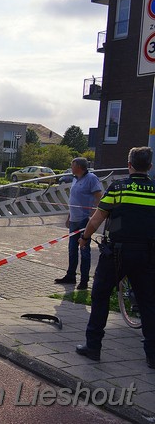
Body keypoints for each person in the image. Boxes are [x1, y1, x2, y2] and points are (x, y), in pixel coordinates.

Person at [75, 147, 155, 369]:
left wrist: (84, 238)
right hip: (147, 254)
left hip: (117, 254)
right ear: (150, 167)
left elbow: (97, 218)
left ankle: (93, 347)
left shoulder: (118, 188)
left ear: (129, 165)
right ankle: (152, 355)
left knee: (100, 296)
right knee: (148, 303)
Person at [54, 157, 103, 290]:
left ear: (79, 167)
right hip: (74, 220)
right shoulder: (75, 178)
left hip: (84, 220)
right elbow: (73, 199)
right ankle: (70, 276)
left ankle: (84, 281)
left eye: (72, 165)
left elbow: (99, 197)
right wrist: (69, 217)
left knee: (84, 250)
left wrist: (92, 217)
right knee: (72, 249)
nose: (70, 167)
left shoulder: (91, 179)